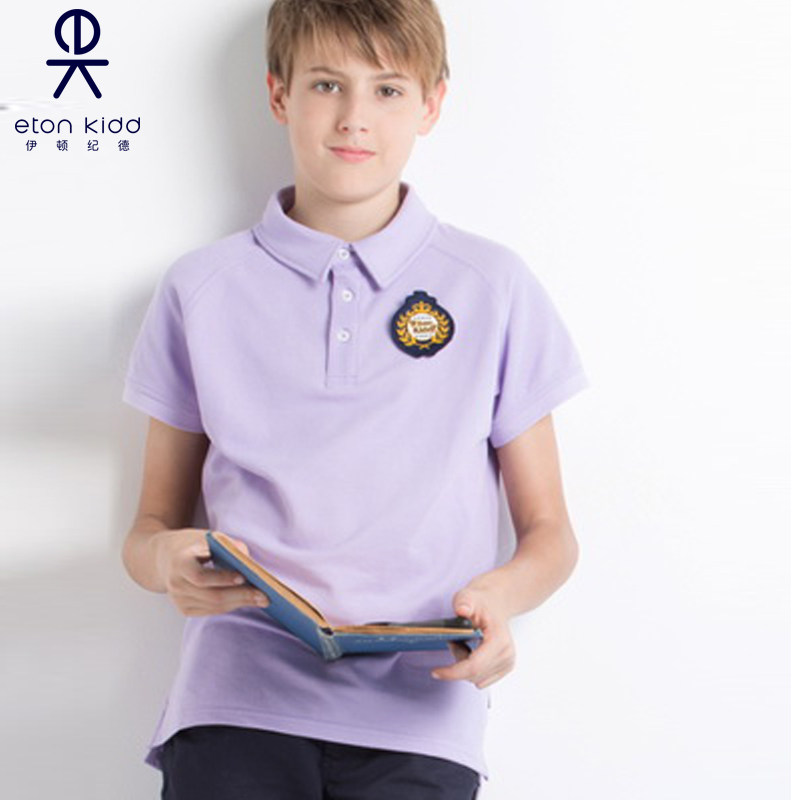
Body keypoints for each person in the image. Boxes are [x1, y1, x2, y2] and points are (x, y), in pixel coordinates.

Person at [120, 0, 590, 797]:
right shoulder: (200, 289)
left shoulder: (494, 286)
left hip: (422, 710)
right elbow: (148, 530)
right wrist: (166, 564)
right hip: (236, 702)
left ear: (431, 104)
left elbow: (551, 534)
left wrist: (500, 598)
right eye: (327, 84)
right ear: (279, 94)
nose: (354, 118)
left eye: (388, 90)